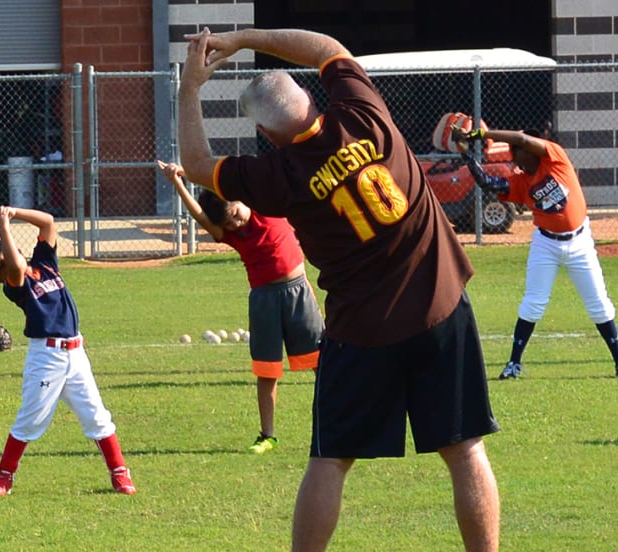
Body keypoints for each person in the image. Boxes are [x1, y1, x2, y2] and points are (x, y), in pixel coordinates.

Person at [175, 28, 497, 551]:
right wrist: (242, 38)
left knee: (330, 460)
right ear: (310, 98)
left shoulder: (278, 174)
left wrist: (190, 88)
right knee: (465, 452)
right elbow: (326, 46)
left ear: (267, 134)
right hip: (440, 304)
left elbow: (195, 164)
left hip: (363, 331)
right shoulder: (361, 111)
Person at [162, 162, 323, 454]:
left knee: (321, 363)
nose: (236, 224)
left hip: (298, 293)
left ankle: (336, 425)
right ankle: (268, 436)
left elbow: (236, 173)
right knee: (267, 370)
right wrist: (178, 184)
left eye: (235, 215)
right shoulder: (233, 235)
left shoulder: (269, 207)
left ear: (240, 199)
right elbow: (199, 215)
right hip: (264, 300)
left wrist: (197, 172)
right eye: (229, 224)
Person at [0, 206, 135, 496]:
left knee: (96, 416)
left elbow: (47, 222)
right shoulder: (15, 284)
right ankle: (4, 478)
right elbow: (16, 267)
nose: (4, 266)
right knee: (30, 419)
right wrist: (3, 229)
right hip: (46, 357)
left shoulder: (45, 262)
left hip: (76, 353)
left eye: (2, 259)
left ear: (18, 248)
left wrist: (13, 213)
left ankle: (120, 473)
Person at [442, 119, 618, 380]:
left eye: (517, 152)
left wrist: (482, 134)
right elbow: (489, 183)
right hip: (546, 244)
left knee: (599, 305)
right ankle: (514, 363)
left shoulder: (554, 157)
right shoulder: (522, 181)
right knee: (533, 304)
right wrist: (467, 154)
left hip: (580, 243)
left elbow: (522, 139)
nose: (516, 158)